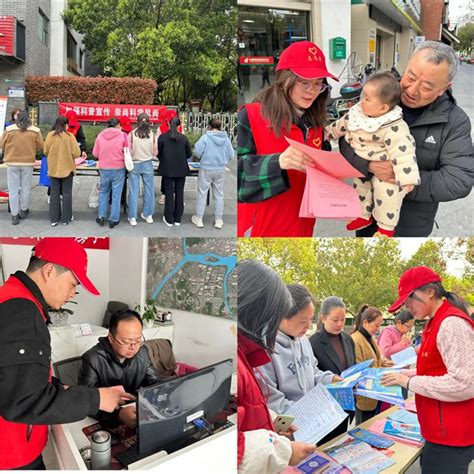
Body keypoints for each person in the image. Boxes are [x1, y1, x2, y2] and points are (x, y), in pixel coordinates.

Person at [0, 238, 134, 470]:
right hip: (11, 455)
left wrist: (62, 388)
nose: (73, 293)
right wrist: (97, 399)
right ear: (49, 271)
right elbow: (24, 401)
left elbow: (18, 375)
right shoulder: (21, 310)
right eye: (73, 284)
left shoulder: (11, 298)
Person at [340, 41, 474, 237]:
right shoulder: (379, 93)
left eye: (427, 87)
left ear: (444, 88)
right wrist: (368, 165)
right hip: (365, 216)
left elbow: (459, 179)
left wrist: (400, 179)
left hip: (410, 228)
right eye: (410, 77)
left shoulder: (455, 121)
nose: (412, 90)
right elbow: (346, 138)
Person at [237, 40, 338, 237]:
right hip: (261, 233)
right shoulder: (251, 116)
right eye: (304, 82)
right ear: (285, 79)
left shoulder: (315, 124)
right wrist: (278, 162)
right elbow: (239, 178)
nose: (312, 91)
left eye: (319, 84)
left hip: (302, 231)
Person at [381, 266, 474, 474]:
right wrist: (406, 374)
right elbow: (437, 370)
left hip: (451, 437)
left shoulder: (451, 324)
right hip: (439, 431)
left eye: (409, 299)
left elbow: (465, 383)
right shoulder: (435, 322)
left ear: (430, 291)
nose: (408, 306)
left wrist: (409, 382)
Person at [238, 260, 316, 473]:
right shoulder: (239, 359)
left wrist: (273, 420)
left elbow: (252, 407)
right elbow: (236, 444)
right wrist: (285, 451)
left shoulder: (246, 352)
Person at [325, 72, 420, 237]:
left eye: (367, 99)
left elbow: (403, 152)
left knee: (387, 197)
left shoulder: (394, 126)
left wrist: (408, 178)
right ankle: (362, 216)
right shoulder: (357, 114)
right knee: (359, 189)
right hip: (363, 163)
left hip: (386, 170)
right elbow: (340, 125)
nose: (362, 101)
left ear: (383, 108)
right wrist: (326, 134)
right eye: (363, 96)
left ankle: (385, 228)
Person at [256, 284, 341, 414]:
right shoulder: (265, 350)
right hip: (288, 426)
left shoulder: (303, 340)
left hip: (312, 419)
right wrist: (306, 411)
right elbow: (272, 401)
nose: (308, 325)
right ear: (281, 317)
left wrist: (330, 379)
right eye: (303, 321)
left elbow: (313, 372)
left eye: (311, 319)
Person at [79, 309, 158, 428]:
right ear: (111, 337)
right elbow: (87, 402)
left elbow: (153, 383)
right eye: (126, 342)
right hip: (107, 416)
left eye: (138, 340)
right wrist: (118, 415)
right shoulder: (92, 359)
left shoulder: (142, 352)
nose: (133, 347)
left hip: (135, 411)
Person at [309, 296, 356, 443]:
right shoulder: (313, 342)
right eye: (335, 320)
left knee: (341, 443)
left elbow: (352, 365)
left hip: (346, 403)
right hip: (325, 408)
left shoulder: (348, 339)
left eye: (343, 320)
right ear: (323, 318)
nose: (340, 324)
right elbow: (311, 374)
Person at [351, 305, 394, 424]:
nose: (377, 329)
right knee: (364, 427)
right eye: (376, 325)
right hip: (364, 395)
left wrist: (385, 362)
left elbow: (378, 357)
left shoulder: (370, 338)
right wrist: (379, 372)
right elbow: (358, 367)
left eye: (379, 325)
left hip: (375, 392)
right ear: (365, 322)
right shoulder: (356, 339)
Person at [1, 110, 44, 225]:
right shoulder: (35, 131)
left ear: (17, 118)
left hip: (12, 162)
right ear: (28, 119)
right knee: (25, 188)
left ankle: (14, 215)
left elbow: (2, 144)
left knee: (13, 190)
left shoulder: (9, 130)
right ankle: (24, 210)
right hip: (28, 163)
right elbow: (41, 146)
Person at [191, 118, 234, 229]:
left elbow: (197, 151)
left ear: (209, 126)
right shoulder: (226, 139)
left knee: (202, 193)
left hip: (206, 168)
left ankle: (199, 218)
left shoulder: (205, 138)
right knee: (219, 194)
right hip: (220, 169)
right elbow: (231, 155)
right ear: (220, 126)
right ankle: (218, 220)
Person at [43, 116, 81, 226]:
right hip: (67, 169)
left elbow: (45, 151)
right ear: (66, 125)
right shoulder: (70, 136)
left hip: (54, 169)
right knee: (67, 194)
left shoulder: (50, 135)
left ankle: (54, 219)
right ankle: (66, 219)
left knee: (54, 194)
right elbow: (76, 153)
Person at [157, 117, 192, 226]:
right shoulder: (184, 138)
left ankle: (168, 219)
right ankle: (178, 219)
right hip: (181, 169)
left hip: (167, 169)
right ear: (179, 126)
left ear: (168, 124)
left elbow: (159, 153)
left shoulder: (162, 137)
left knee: (168, 193)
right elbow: (189, 154)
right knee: (179, 193)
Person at [93, 117, 127, 229]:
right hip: (119, 168)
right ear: (117, 125)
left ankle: (101, 217)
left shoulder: (100, 135)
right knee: (116, 195)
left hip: (104, 169)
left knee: (103, 193)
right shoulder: (123, 136)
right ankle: (114, 220)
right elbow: (128, 152)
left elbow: (95, 153)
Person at [127, 113, 157, 226]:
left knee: (134, 191)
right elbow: (155, 152)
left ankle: (132, 217)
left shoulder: (131, 135)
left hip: (134, 164)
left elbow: (128, 151)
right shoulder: (152, 135)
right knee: (149, 190)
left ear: (137, 122)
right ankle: (148, 215)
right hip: (148, 164)